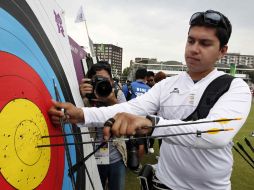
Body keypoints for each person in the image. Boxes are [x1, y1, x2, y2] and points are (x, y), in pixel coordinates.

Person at [49, 10, 252, 190]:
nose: (194, 49)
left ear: (223, 51)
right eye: (191, 41)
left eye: (205, 43)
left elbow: (216, 134)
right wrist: (82, 114)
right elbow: (132, 108)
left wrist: (152, 125)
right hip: (163, 183)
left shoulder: (235, 87)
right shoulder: (167, 85)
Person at [79, 61, 127, 190]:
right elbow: (77, 120)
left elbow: (127, 118)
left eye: (105, 80)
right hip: (92, 155)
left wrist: (112, 101)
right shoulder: (86, 98)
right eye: (97, 81)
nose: (102, 84)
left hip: (116, 155)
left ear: (111, 82)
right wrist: (81, 97)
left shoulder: (118, 94)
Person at [122, 68, 151, 171]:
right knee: (141, 144)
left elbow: (121, 102)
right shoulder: (149, 89)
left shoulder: (127, 86)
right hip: (143, 121)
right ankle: (136, 165)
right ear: (145, 77)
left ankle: (126, 162)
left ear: (135, 76)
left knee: (125, 142)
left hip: (128, 120)